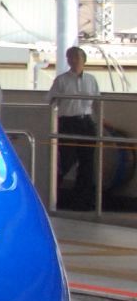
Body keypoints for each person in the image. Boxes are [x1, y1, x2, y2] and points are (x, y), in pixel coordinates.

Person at [48, 45, 101, 206]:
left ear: (84, 60)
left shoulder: (91, 79)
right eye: (70, 57)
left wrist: (98, 121)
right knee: (66, 159)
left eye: (77, 57)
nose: (74, 60)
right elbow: (51, 100)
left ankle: (83, 199)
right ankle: (53, 194)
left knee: (87, 162)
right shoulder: (61, 80)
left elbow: (97, 102)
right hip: (67, 122)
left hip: (86, 122)